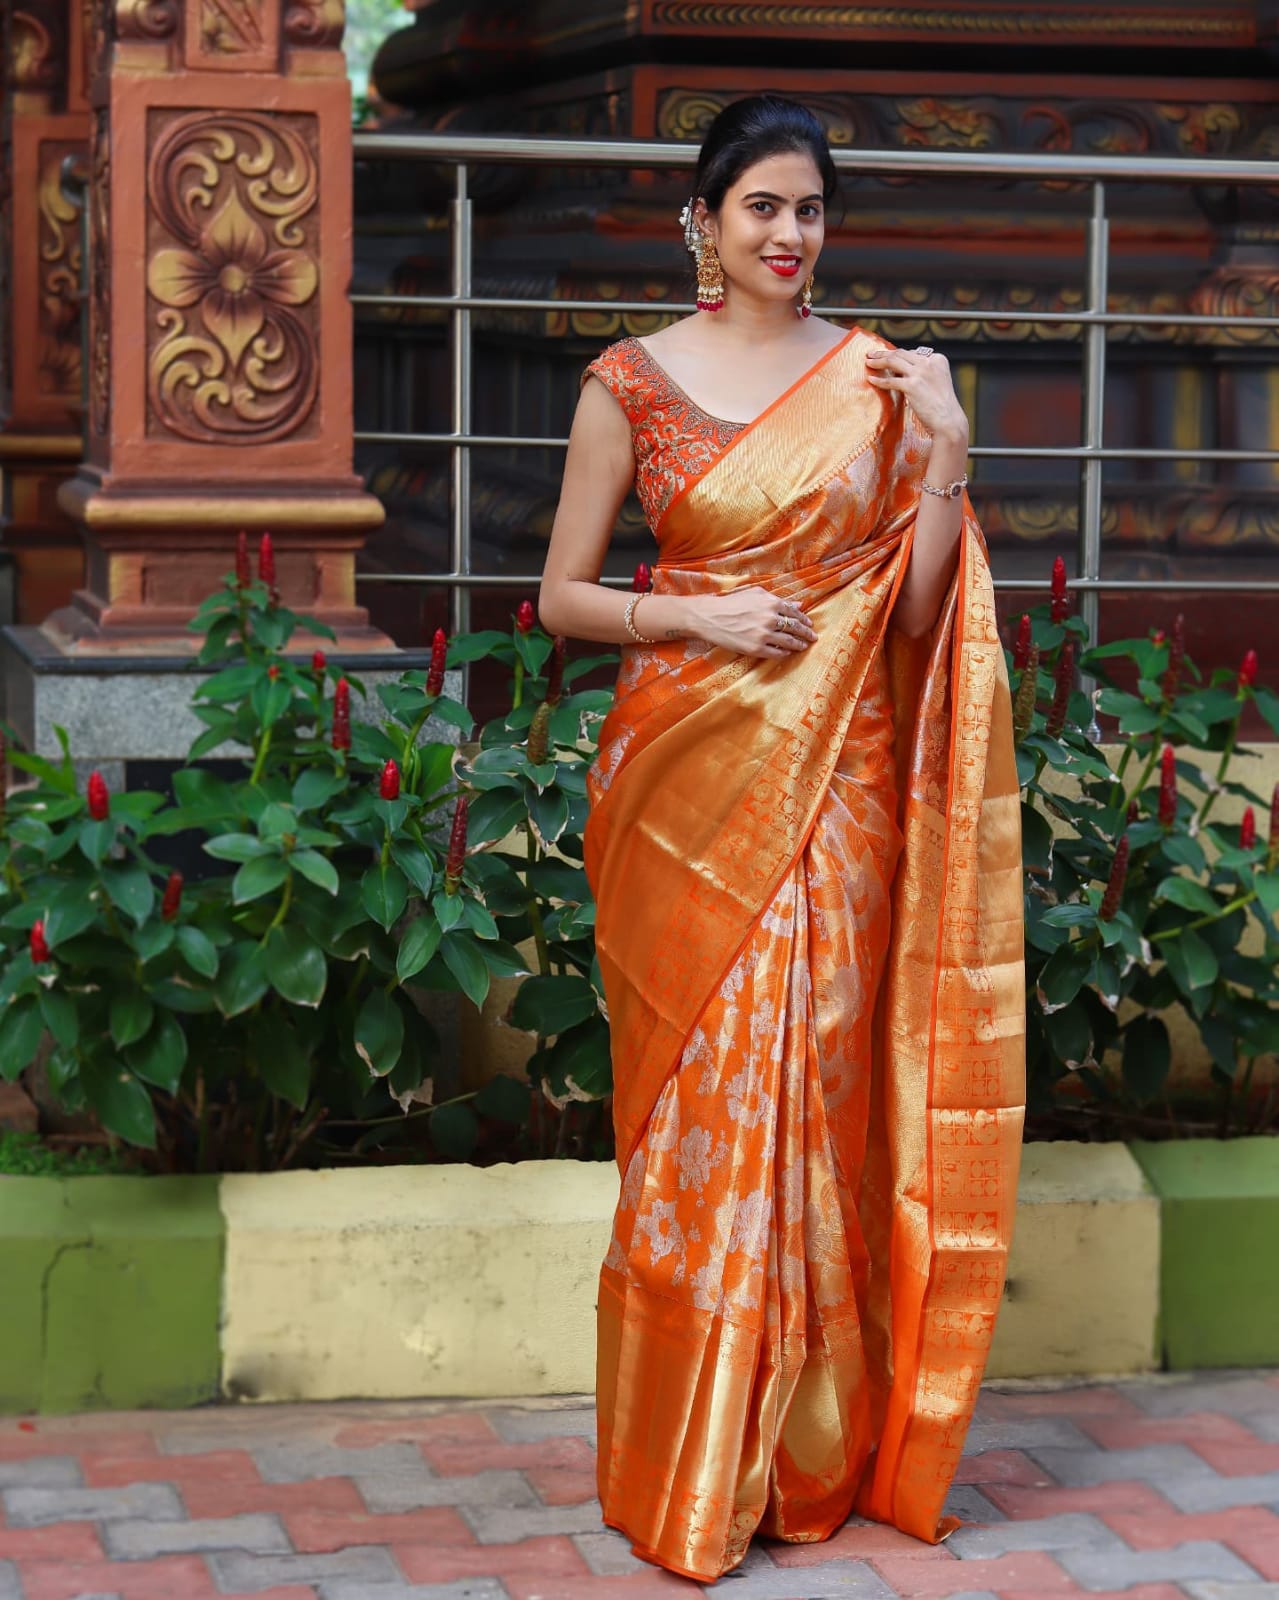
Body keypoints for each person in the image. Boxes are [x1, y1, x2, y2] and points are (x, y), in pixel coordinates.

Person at [537, 94, 1025, 1584]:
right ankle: (685, 1458)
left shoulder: (881, 381)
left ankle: (796, 1462)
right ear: (705, 220)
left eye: (809, 209)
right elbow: (562, 595)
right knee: (702, 1099)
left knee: (812, 1077)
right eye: (761, 206)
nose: (789, 235)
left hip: (845, 781)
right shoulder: (628, 382)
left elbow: (924, 616)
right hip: (684, 773)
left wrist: (946, 451)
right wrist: (697, 610)